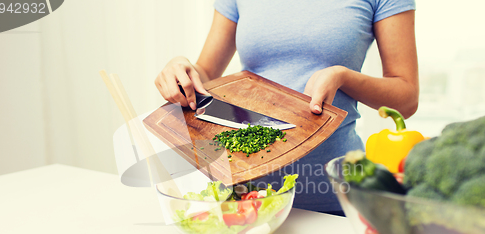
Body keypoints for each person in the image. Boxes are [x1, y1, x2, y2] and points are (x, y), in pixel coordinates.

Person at [155, 0, 419, 215]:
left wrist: (344, 77)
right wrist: (182, 70)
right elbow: (207, 73)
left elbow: (406, 98)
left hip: (336, 200)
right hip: (247, 201)